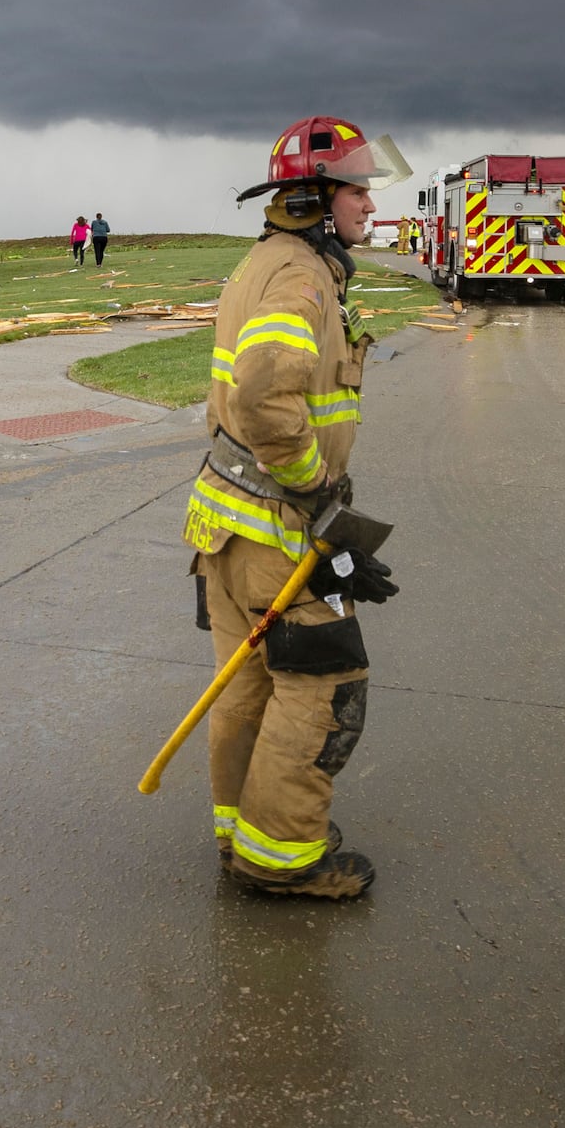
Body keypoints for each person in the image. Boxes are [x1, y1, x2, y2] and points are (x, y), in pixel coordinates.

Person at [186, 116, 412, 900]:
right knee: (325, 684)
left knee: (246, 686)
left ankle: (242, 834)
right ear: (316, 198)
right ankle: (281, 856)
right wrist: (316, 490)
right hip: (274, 528)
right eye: (357, 190)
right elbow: (262, 390)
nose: (369, 206)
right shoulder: (302, 277)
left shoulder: (269, 260)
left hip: (226, 526)